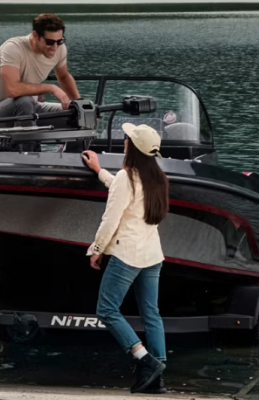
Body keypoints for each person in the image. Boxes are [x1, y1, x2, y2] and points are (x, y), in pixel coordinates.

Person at [80, 123, 170, 394]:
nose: (124, 141)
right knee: (151, 313)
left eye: (127, 138)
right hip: (152, 254)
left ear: (132, 147)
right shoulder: (157, 178)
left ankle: (145, 360)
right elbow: (123, 192)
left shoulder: (126, 177)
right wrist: (100, 172)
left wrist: (96, 248)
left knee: (107, 310)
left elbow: (111, 219)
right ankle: (158, 374)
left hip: (127, 254)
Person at [0, 13, 82, 119]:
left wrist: (80, 103)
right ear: (35, 35)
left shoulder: (60, 49)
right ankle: (26, 134)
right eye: (49, 42)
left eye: (60, 41)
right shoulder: (13, 48)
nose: (55, 47)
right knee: (24, 101)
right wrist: (51, 88)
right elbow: (12, 89)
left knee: (77, 111)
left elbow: (64, 77)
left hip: (33, 107)